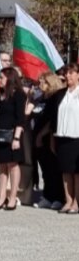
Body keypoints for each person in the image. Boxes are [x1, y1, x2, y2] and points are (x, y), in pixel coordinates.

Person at [0, 67, 27, 211]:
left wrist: (16, 138)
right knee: (2, 166)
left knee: (13, 165)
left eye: (2, 77)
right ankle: (1, 196)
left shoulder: (19, 95)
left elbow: (20, 119)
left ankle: (12, 197)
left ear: (10, 78)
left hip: (12, 135)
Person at [34, 72, 66, 210]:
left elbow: (52, 120)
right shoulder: (41, 98)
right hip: (38, 137)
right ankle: (47, 196)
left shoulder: (54, 98)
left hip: (48, 137)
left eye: (44, 82)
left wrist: (41, 135)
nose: (40, 84)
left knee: (54, 169)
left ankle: (58, 197)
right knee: (45, 169)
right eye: (40, 81)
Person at [54, 64, 79, 214]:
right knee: (65, 170)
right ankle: (68, 199)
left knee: (76, 171)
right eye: (66, 73)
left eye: (71, 73)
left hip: (76, 136)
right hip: (62, 135)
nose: (68, 76)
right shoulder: (61, 93)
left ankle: (77, 201)